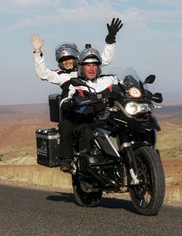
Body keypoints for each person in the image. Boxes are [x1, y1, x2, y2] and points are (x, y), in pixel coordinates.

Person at [30, 18, 123, 171]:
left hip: (94, 106)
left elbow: (103, 59)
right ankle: (67, 159)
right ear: (59, 61)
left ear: (76, 59)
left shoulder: (87, 67)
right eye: (63, 60)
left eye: (69, 59)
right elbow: (43, 74)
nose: (67, 62)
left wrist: (110, 40)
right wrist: (37, 52)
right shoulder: (59, 74)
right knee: (65, 125)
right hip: (74, 106)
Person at [60, 46, 119, 156]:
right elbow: (64, 101)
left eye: (94, 65)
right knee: (87, 131)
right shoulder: (75, 84)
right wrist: (71, 102)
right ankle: (84, 162)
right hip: (86, 121)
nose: (91, 68)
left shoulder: (110, 79)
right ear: (82, 67)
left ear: (98, 67)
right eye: (88, 65)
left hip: (109, 119)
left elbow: (125, 87)